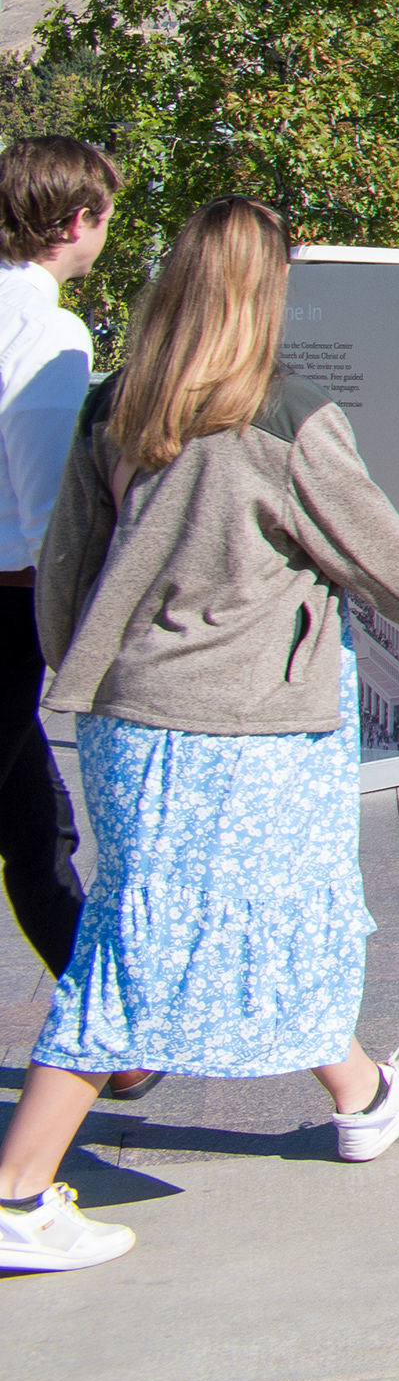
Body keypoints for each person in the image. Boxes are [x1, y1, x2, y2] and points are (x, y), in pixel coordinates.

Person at [1, 198, 399, 1275]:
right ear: (266, 290)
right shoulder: (282, 418)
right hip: (244, 731)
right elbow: (384, 554)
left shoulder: (119, 406)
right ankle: (15, 1189)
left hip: (131, 722)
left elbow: (65, 567)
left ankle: (364, 1092)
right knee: (142, 949)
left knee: (259, 909)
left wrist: (75, 664)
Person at [0, 138, 117, 1000]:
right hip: (7, 608)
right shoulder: (46, 329)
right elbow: (48, 515)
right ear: (76, 220)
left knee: (35, 824)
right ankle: (105, 1028)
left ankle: (104, 1026)